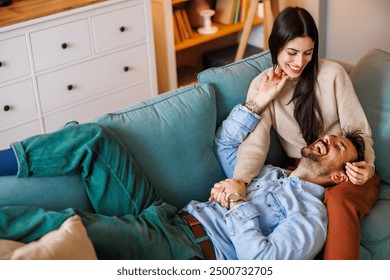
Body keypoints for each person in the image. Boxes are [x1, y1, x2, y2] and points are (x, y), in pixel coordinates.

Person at [0, 101, 364, 259]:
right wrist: (257, 103)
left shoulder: (311, 218)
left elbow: (261, 263)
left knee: (64, 226)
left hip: (184, 248)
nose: (329, 139)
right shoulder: (271, 172)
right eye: (332, 136)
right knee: (95, 140)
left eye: (339, 147)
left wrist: (238, 201)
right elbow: (226, 146)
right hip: (165, 216)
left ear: (337, 175)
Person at [225, 6, 380, 259]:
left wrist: (369, 167)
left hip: (348, 165)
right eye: (292, 53)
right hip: (307, 170)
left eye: (308, 53)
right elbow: (255, 145)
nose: (300, 62)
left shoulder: (332, 75)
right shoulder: (263, 85)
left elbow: (360, 131)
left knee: (338, 202)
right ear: (276, 47)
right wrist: (240, 182)